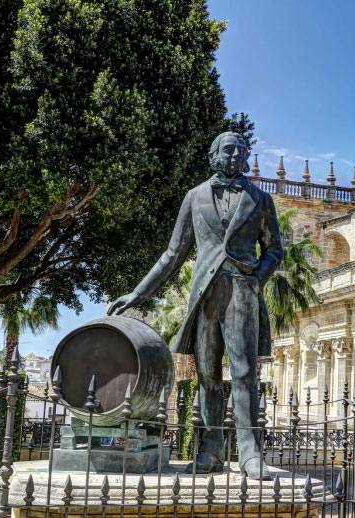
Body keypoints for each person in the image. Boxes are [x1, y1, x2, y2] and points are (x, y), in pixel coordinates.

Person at [108, 132, 283, 480]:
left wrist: (255, 280)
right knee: (207, 376)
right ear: (213, 155)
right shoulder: (195, 197)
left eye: (241, 150)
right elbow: (173, 253)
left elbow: (275, 250)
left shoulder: (261, 199)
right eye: (228, 149)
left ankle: (250, 454)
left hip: (241, 292)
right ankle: (210, 451)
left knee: (246, 373)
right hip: (204, 295)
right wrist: (138, 294)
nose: (235, 154)